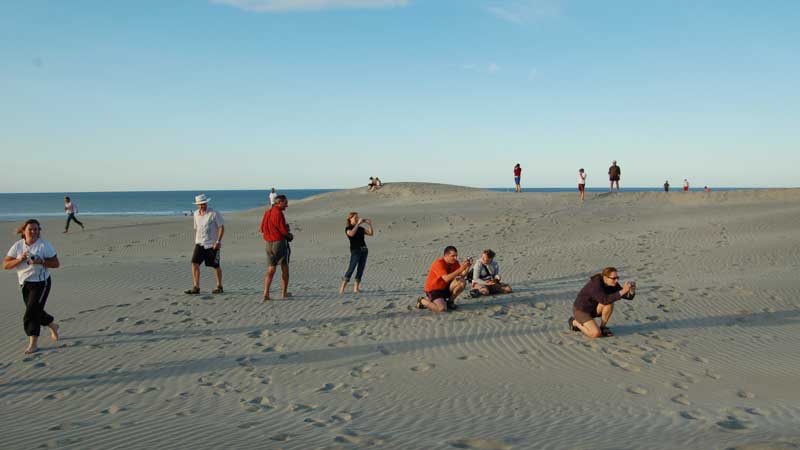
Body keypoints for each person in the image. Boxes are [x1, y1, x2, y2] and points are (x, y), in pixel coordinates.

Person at [3, 219, 61, 354]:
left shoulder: (44, 246)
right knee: (36, 310)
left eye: (36, 229)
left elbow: (56, 263)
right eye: (31, 229)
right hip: (25, 284)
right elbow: (5, 265)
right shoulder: (17, 246)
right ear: (24, 231)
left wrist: (41, 262)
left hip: (42, 283)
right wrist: (20, 259)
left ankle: (33, 343)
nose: (34, 231)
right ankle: (53, 325)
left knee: (31, 313)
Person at [568, 267, 636, 338]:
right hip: (581, 311)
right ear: (605, 277)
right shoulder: (595, 285)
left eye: (617, 277)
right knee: (595, 334)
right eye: (613, 278)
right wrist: (623, 291)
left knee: (609, 303)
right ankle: (575, 322)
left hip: (594, 309)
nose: (616, 280)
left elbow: (628, 297)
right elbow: (605, 300)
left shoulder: (612, 284)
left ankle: (603, 327)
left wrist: (631, 291)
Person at [185, 194, 225, 295]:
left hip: (212, 244)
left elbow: (221, 227)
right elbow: (197, 228)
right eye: (200, 204)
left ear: (206, 203)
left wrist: (218, 241)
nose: (202, 205)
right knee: (194, 263)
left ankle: (219, 286)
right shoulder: (195, 214)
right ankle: (196, 287)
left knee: (215, 265)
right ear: (197, 205)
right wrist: (197, 240)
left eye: (203, 203)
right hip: (199, 243)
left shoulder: (214, 213)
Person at [417, 246, 473, 312]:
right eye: (453, 256)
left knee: (461, 282)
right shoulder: (439, 263)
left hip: (445, 287)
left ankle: (450, 302)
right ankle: (422, 300)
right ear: (446, 255)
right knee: (442, 309)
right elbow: (445, 278)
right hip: (434, 290)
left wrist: (467, 267)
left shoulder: (455, 263)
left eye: (456, 256)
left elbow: (461, 275)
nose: (455, 258)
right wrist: (461, 269)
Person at [261, 194, 292, 301]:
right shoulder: (278, 213)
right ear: (279, 203)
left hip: (268, 244)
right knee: (285, 268)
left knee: (271, 269)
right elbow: (283, 230)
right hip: (278, 243)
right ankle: (284, 293)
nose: (287, 205)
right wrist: (289, 235)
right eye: (285, 203)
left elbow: (262, 228)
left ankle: (266, 292)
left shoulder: (267, 212)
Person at [339, 212, 374, 294]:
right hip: (356, 251)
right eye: (355, 218)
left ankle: (356, 289)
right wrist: (357, 224)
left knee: (360, 269)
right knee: (351, 268)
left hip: (364, 250)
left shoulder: (361, 228)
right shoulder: (348, 228)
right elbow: (351, 234)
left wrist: (369, 225)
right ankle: (342, 289)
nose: (357, 219)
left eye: (358, 217)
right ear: (350, 219)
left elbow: (371, 233)